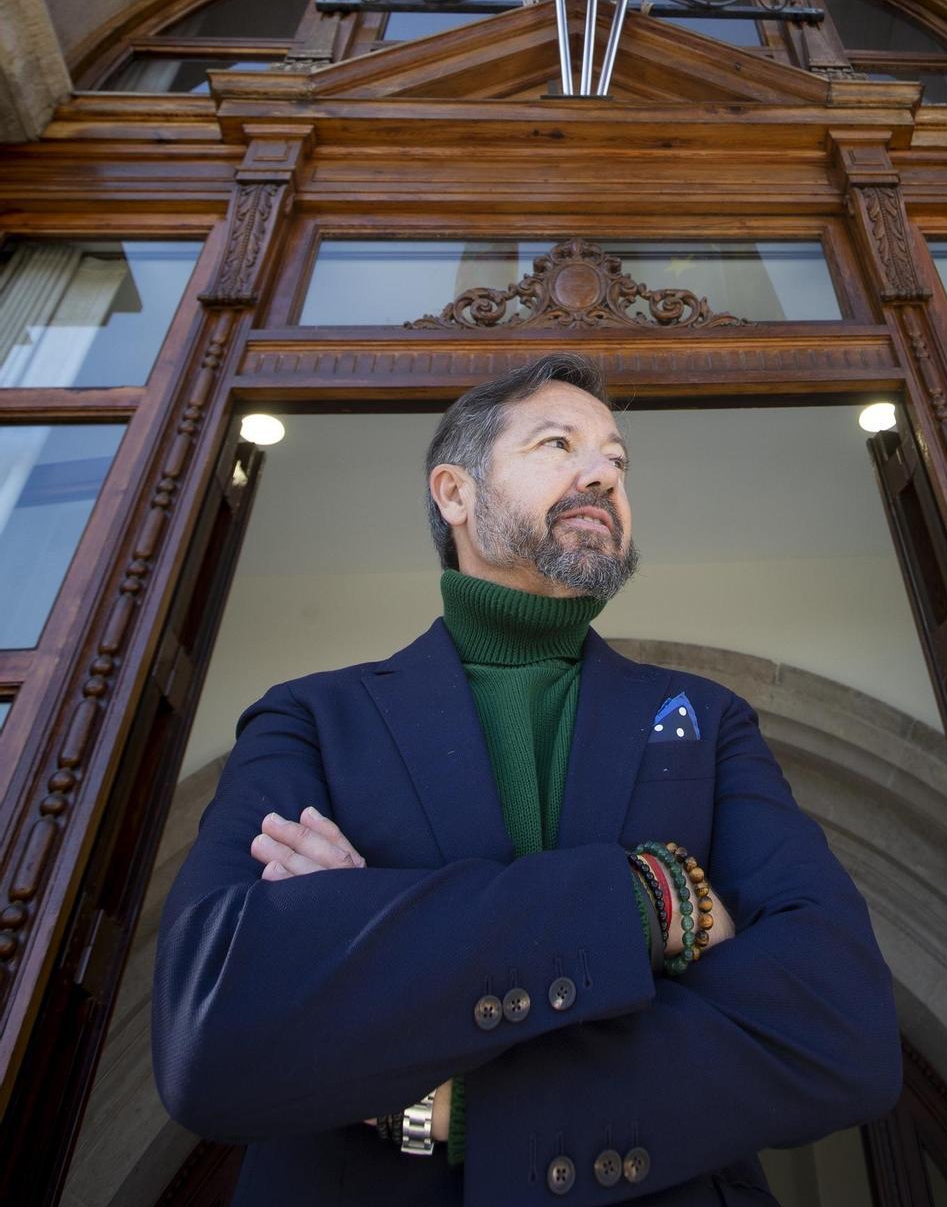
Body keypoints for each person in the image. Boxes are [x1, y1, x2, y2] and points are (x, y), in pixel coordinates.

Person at [152, 352, 901, 1204]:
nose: (603, 475)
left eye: (617, 460)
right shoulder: (311, 721)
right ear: (455, 494)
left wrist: (377, 940)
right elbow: (209, 1037)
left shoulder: (709, 721)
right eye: (558, 443)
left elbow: (843, 1030)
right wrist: (656, 902)